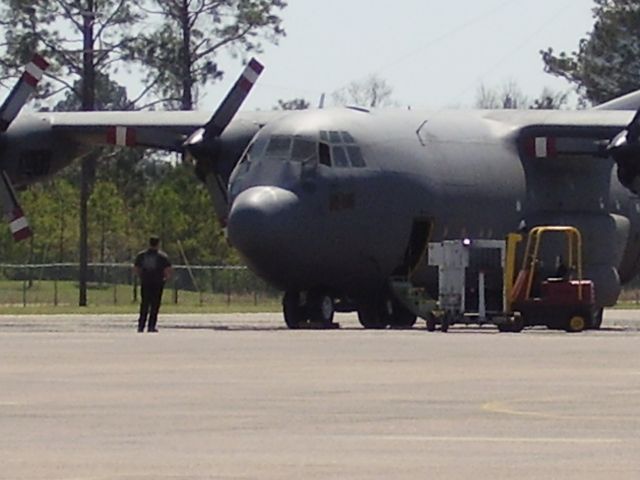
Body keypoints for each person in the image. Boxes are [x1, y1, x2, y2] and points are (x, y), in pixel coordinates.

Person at [133, 236, 172, 333]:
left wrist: (141, 277)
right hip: (157, 283)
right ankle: (151, 326)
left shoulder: (141, 255)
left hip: (145, 282)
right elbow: (167, 270)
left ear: (149, 243)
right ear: (158, 244)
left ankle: (141, 326)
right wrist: (165, 279)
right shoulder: (162, 257)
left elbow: (136, 269)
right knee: (155, 305)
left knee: (144, 304)